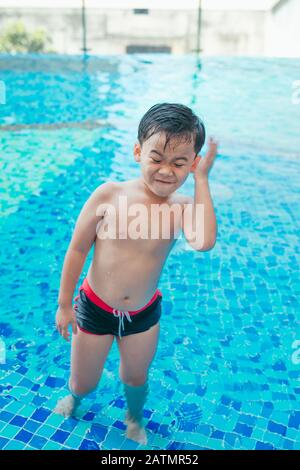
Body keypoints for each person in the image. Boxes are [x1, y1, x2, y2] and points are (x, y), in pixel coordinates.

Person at [54, 102, 218, 445]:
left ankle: (133, 417)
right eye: (156, 158)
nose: (166, 171)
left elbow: (203, 242)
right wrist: (64, 304)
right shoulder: (109, 194)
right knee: (84, 381)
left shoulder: (184, 207)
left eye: (180, 163)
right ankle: (76, 398)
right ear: (137, 151)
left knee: (135, 377)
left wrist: (202, 180)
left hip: (143, 315)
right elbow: (77, 250)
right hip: (95, 308)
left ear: (193, 163)